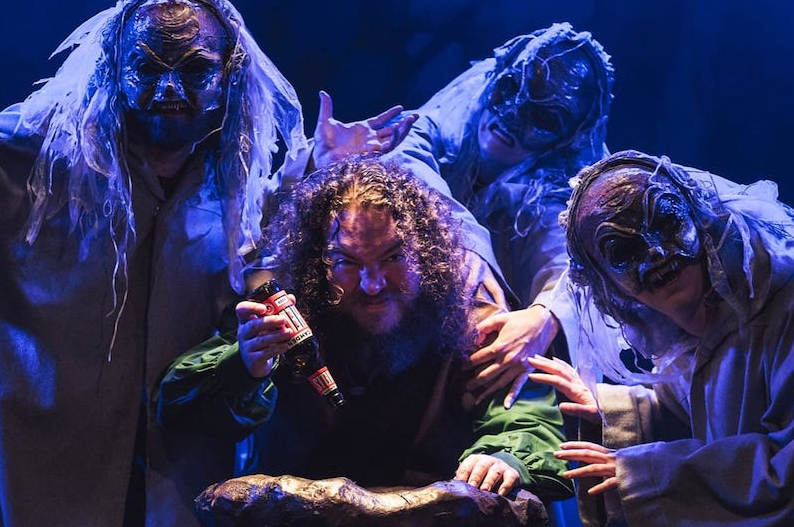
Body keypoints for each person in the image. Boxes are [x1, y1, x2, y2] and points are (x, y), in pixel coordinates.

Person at [0, 0, 411, 527]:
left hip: (158, 485)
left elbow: (261, 242)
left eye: (194, 69)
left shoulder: (224, 193)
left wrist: (319, 167)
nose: (169, 89)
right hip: (22, 469)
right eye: (147, 68)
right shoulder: (42, 161)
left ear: (227, 79)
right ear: (113, 71)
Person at [529, 150, 794, 527]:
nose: (655, 251)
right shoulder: (724, 304)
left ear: (699, 215)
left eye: (666, 222)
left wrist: (647, 474)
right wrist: (612, 412)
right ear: (608, 285)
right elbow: (729, 407)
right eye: (622, 250)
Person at [162, 157, 573, 502]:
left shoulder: (471, 315)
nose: (373, 284)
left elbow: (527, 421)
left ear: (426, 253)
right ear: (317, 262)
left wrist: (503, 458)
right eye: (348, 262)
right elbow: (179, 406)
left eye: (393, 258)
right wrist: (244, 367)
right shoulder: (283, 312)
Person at [378, 22, 616, 406]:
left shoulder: (547, 200)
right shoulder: (441, 131)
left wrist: (546, 315)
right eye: (508, 88)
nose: (512, 115)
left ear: (566, 138)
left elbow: (568, 266)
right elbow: (405, 163)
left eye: (544, 117)